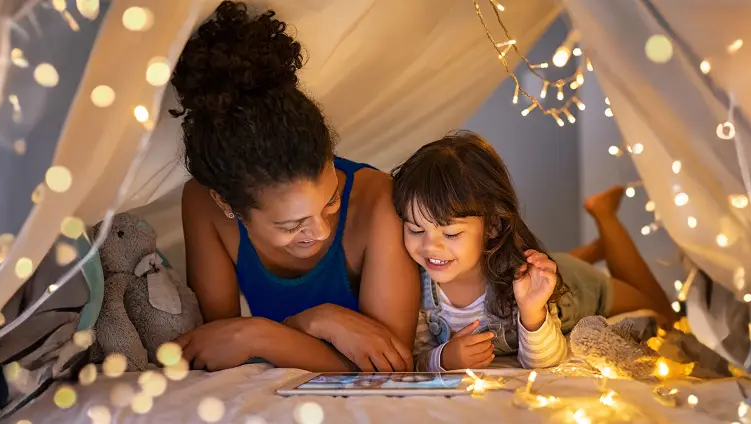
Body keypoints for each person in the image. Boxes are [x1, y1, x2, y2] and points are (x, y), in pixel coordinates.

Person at [169, 1, 420, 373]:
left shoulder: (379, 199)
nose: (320, 230)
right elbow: (218, 346)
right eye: (290, 225)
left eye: (332, 201)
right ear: (229, 205)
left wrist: (273, 331)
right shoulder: (202, 204)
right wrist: (296, 328)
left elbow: (391, 368)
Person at [393, 131, 675, 372]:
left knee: (664, 315)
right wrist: (443, 359)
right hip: (538, 266)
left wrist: (531, 311)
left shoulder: (523, 282)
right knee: (548, 263)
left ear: (492, 226)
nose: (430, 246)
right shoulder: (413, 287)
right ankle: (593, 249)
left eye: (451, 233)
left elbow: (546, 360)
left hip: (575, 286)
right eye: (415, 230)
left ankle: (604, 216)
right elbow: (412, 359)